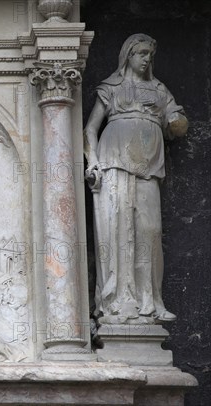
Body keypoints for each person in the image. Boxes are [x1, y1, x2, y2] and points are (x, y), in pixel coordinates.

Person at [83, 34, 188, 323]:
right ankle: (118, 301)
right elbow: (91, 128)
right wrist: (92, 162)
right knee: (117, 228)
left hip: (150, 164)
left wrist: (178, 122)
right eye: (141, 53)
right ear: (127, 55)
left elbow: (176, 122)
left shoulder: (159, 90)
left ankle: (151, 300)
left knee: (150, 231)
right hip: (113, 160)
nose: (146, 59)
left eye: (149, 55)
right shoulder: (112, 87)